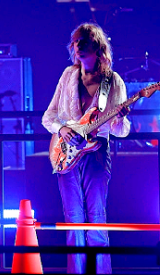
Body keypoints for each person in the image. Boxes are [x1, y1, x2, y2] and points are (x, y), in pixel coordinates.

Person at [42, 23, 130, 274]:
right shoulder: (68, 75)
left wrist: (120, 118)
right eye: (76, 41)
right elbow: (48, 117)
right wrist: (62, 130)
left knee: (97, 217)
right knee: (73, 219)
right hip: (66, 153)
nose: (78, 46)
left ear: (97, 46)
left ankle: (101, 272)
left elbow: (120, 131)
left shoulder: (112, 81)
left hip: (97, 153)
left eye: (84, 41)